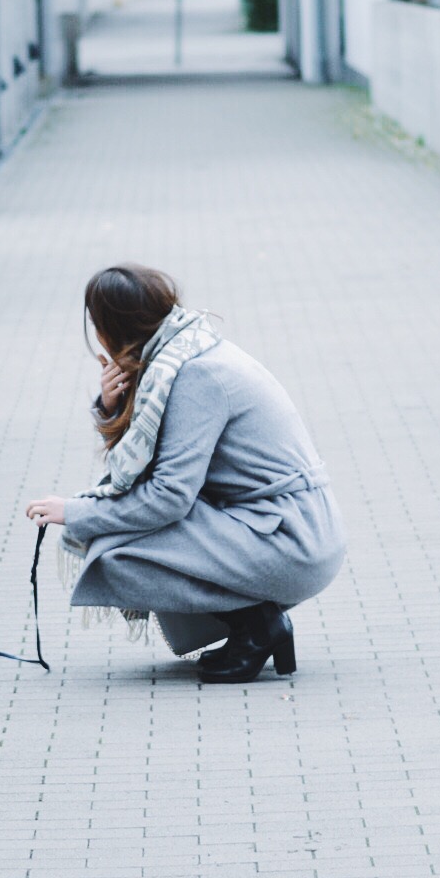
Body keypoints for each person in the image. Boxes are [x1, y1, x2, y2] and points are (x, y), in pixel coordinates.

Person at [25, 263, 345, 683]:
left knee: (115, 553)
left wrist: (76, 512)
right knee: (116, 527)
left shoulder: (195, 375)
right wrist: (110, 407)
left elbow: (167, 496)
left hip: (292, 539)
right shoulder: (186, 350)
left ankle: (256, 626)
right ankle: (252, 627)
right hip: (286, 525)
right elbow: (147, 471)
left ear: (109, 330)